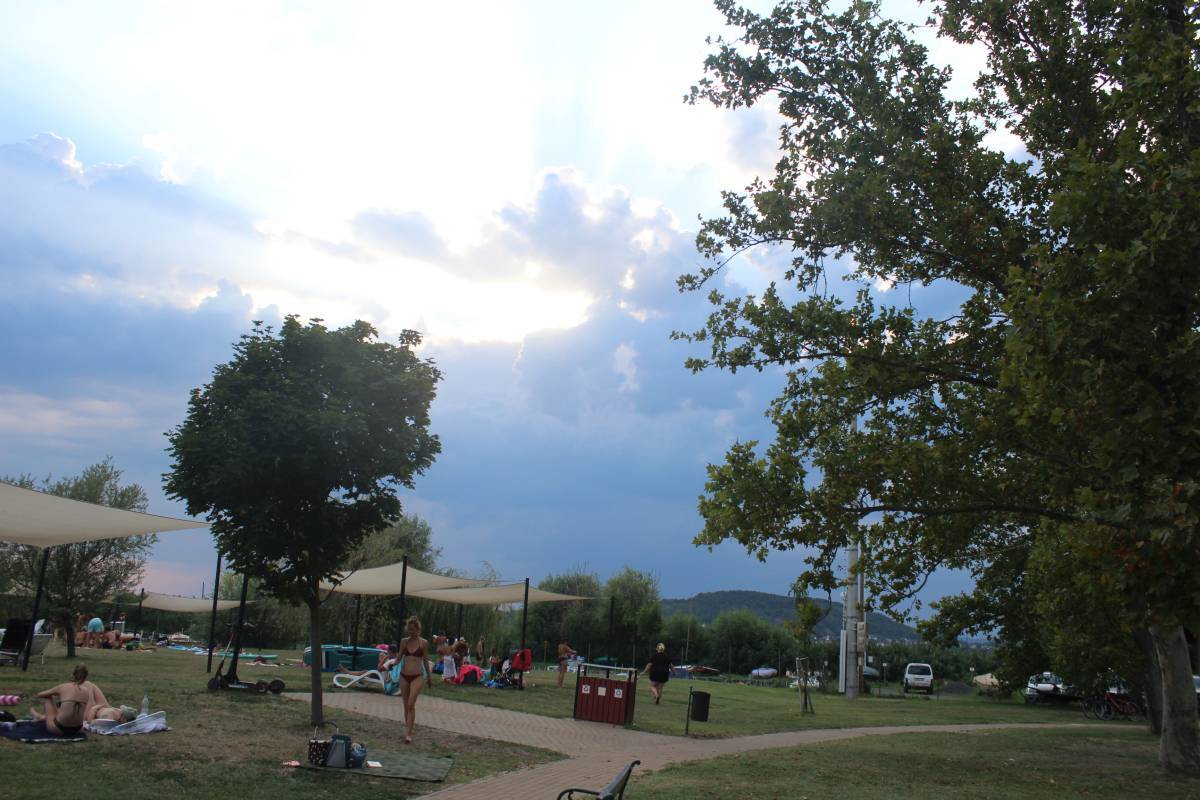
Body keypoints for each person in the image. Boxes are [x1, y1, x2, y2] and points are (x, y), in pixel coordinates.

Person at [30, 664, 98, 736]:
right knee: (65, 711)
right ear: (85, 677)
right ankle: (41, 717)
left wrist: (57, 693)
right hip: (77, 729)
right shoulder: (87, 691)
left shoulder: (63, 687)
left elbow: (40, 694)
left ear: (72, 674)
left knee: (48, 697)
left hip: (59, 728)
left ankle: (40, 717)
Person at [397, 616, 432, 745]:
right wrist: (389, 664)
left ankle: (409, 734)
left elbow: (426, 660)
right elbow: (399, 658)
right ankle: (408, 729)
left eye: (413, 629)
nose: (411, 632)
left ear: (418, 629)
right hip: (404, 676)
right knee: (406, 705)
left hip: (417, 676)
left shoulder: (423, 643)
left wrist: (429, 677)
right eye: (409, 629)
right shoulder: (404, 642)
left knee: (411, 703)